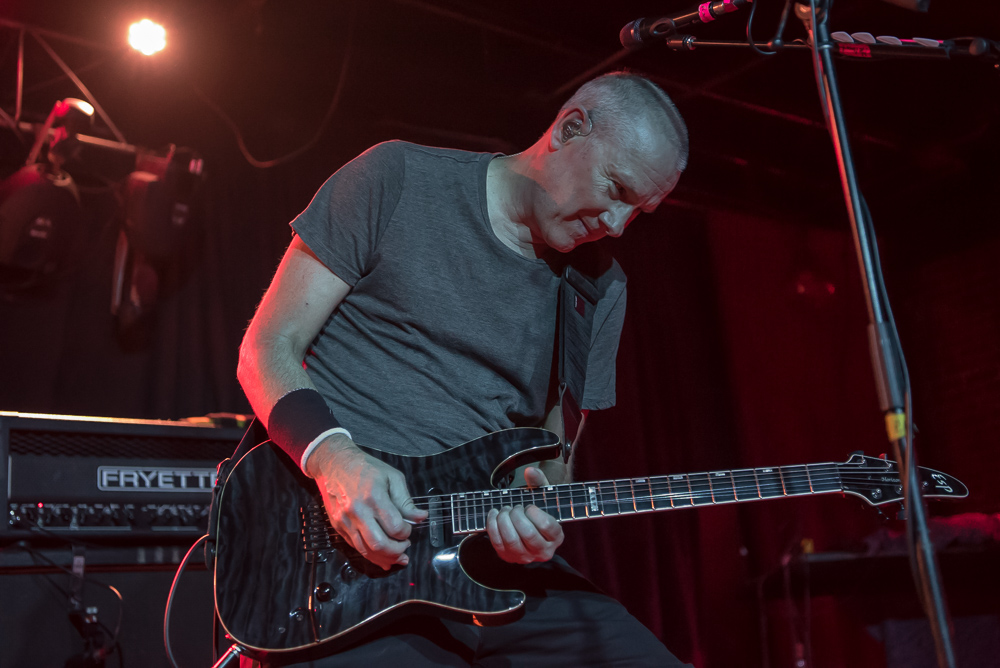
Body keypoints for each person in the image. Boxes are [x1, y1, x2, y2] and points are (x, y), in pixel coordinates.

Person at [236, 71, 690, 667]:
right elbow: (266, 347)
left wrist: (538, 511)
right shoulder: (395, 178)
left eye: (641, 211)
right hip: (341, 550)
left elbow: (552, 459)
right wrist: (334, 460)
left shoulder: (600, 289)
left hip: (486, 565)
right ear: (568, 129)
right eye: (616, 189)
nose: (616, 224)